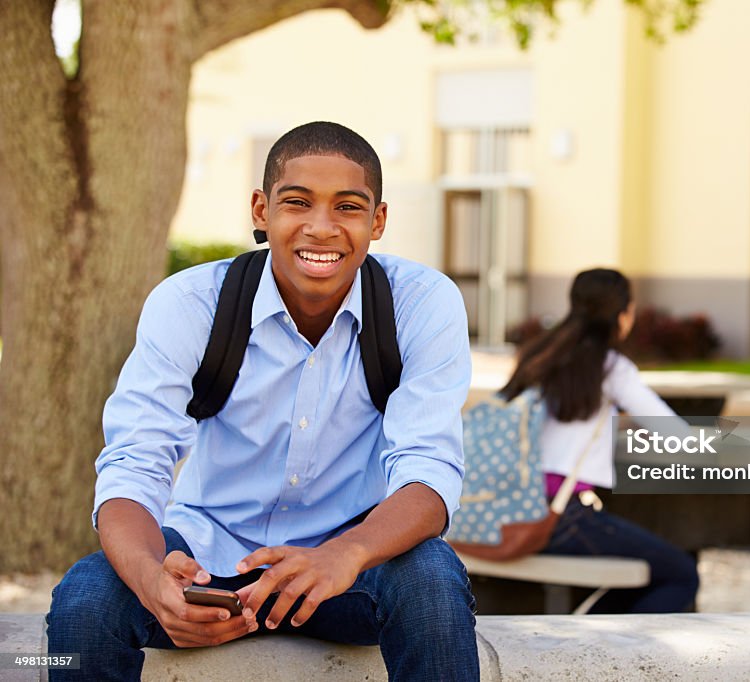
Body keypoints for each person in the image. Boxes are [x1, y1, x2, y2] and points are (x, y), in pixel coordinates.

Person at [47, 122, 479, 680]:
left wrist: (344, 555)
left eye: (348, 207)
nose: (321, 228)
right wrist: (154, 579)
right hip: (207, 563)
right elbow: (134, 464)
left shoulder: (422, 304)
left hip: (350, 571)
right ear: (260, 209)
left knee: (431, 577)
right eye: (297, 202)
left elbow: (430, 471)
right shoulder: (190, 304)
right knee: (87, 597)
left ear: (378, 221)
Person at [499, 268, 700, 613]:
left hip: (507, 507)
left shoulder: (538, 356)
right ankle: (600, 650)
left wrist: (614, 426)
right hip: (561, 516)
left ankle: (587, 640)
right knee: (680, 574)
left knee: (650, 570)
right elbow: (677, 435)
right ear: (622, 315)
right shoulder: (609, 366)